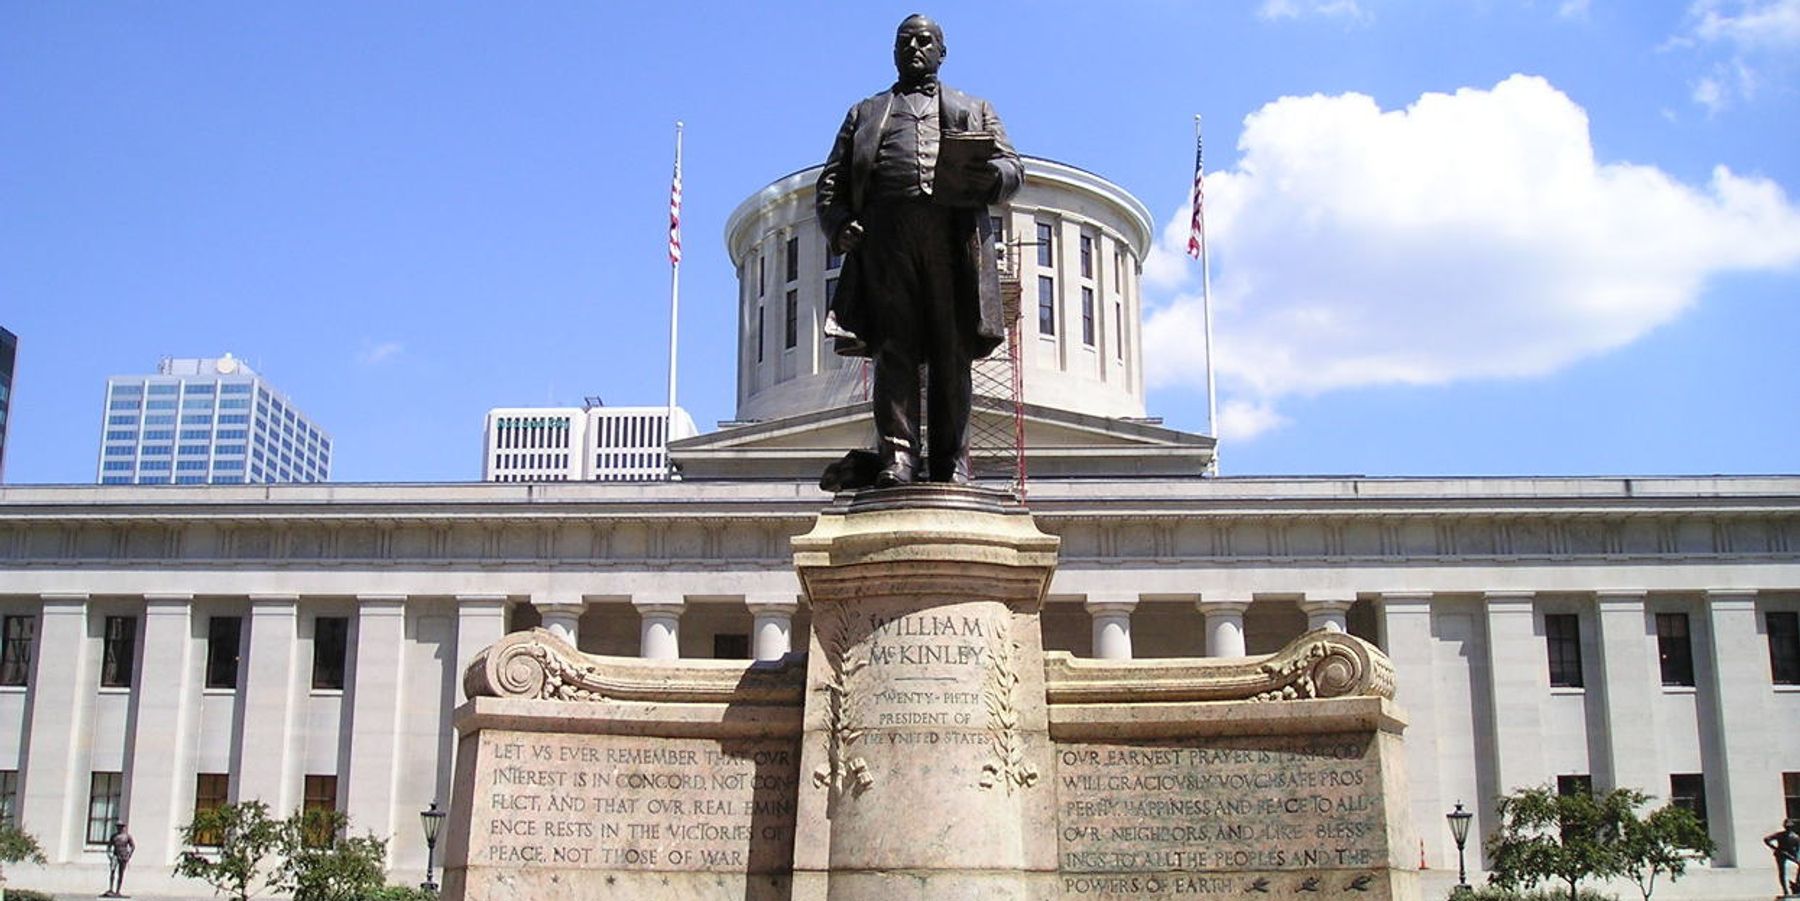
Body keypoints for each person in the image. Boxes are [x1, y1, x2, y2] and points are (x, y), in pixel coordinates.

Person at [815, 13, 1023, 487]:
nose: (914, 48)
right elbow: (832, 183)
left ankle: (951, 461)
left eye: (924, 41)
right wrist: (840, 224)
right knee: (895, 350)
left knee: (952, 351)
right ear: (893, 52)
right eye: (904, 42)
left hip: (951, 241)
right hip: (886, 243)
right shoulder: (866, 113)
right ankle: (899, 459)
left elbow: (1013, 167)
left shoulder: (974, 108)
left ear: (941, 52)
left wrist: (991, 177)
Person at [1768, 819, 1800, 895]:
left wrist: (1796, 858)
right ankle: (1785, 890)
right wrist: (1775, 848)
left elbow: (1797, 849)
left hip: (1789, 854)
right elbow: (1767, 839)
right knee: (1782, 872)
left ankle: (1796, 884)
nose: (1788, 828)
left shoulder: (1796, 837)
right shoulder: (1780, 835)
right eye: (1787, 827)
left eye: (1789, 827)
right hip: (1781, 854)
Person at [105, 822, 135, 897]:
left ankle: (118, 890)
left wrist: (129, 855)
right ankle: (111, 889)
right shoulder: (114, 836)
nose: (119, 828)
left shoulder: (127, 836)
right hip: (115, 856)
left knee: (121, 874)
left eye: (121, 827)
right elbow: (109, 847)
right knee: (112, 872)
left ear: (123, 827)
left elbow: (133, 846)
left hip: (123, 856)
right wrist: (110, 856)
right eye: (118, 826)